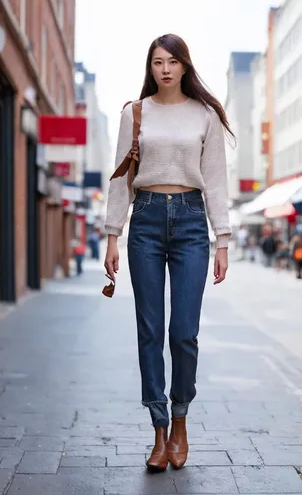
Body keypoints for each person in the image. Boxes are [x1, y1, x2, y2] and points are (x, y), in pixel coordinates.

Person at [103, 34, 233, 472]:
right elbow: (121, 178)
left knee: (184, 332)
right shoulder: (135, 113)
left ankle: (181, 420)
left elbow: (215, 179)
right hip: (146, 222)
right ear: (150, 67)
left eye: (173, 61)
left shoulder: (205, 115)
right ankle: (159, 430)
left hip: (193, 223)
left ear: (184, 66)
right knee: (150, 330)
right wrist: (111, 234)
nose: (165, 69)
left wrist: (224, 240)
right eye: (157, 61)